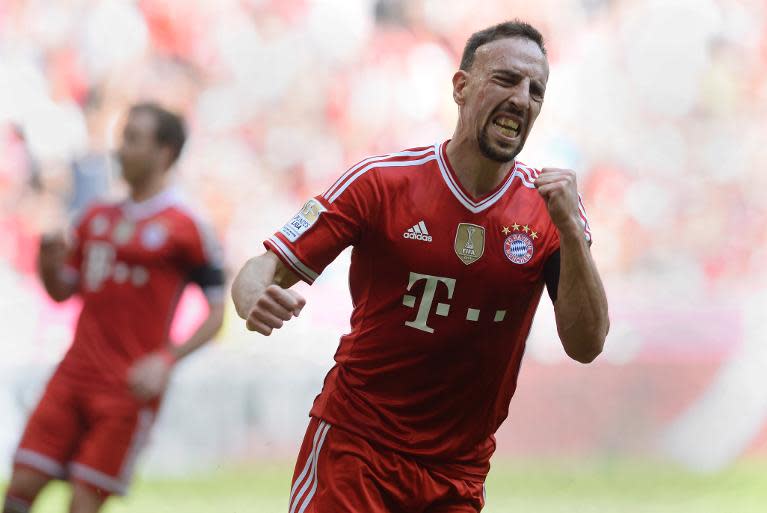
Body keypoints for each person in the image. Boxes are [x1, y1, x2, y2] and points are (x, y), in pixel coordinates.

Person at [232, 20, 609, 513]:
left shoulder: (550, 210)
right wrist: (253, 300)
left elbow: (587, 344)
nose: (522, 98)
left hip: (457, 474)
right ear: (461, 86)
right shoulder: (380, 183)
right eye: (506, 80)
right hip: (358, 451)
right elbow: (261, 270)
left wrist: (573, 235)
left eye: (536, 90)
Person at [3, 103, 226, 513]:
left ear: (164, 152)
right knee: (20, 487)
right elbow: (62, 292)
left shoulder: (187, 225)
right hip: (73, 374)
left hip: (126, 388)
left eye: (133, 139)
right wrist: (47, 261)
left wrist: (166, 360)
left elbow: (217, 313)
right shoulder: (96, 216)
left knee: (83, 503)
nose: (120, 149)